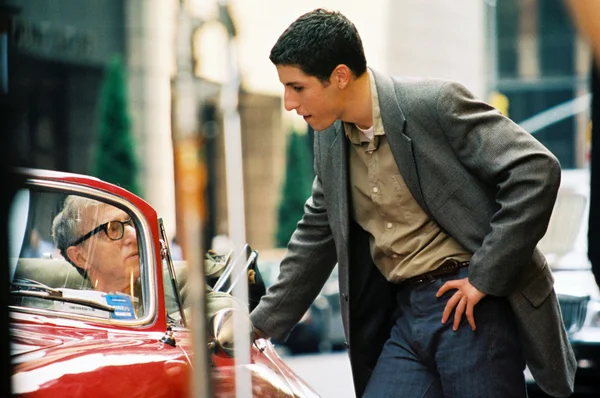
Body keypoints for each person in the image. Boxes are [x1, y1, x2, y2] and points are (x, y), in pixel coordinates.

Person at [249, 8, 576, 398]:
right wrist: (256, 326)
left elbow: (536, 170)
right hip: (405, 315)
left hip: (470, 308)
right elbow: (317, 233)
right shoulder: (330, 139)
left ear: (339, 76)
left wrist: (484, 276)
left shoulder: (433, 103)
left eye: (297, 87)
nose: (288, 102)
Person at [52, 195, 140, 296]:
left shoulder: (160, 297)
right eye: (112, 229)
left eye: (131, 222)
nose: (134, 236)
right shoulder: (65, 310)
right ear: (80, 257)